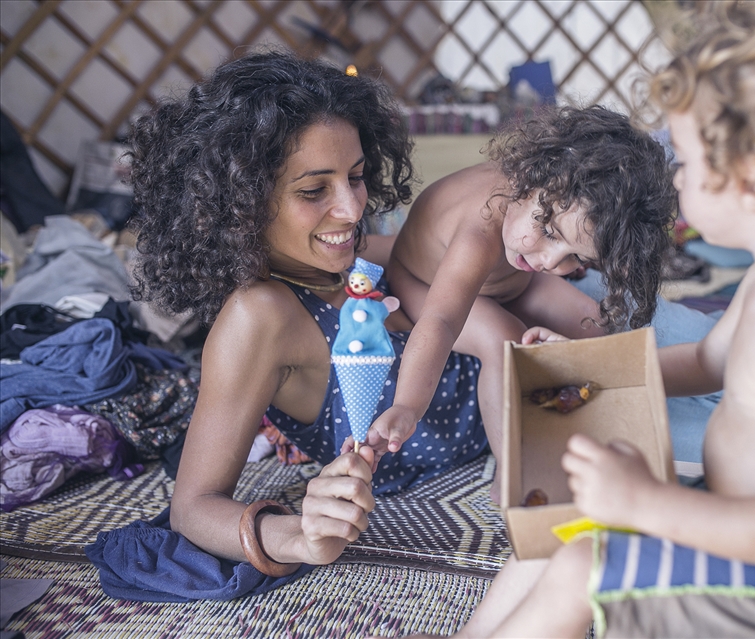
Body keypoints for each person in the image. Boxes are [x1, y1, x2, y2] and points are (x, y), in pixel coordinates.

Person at [387, 1, 755, 637]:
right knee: (563, 537)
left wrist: (648, 502)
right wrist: (576, 369)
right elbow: (707, 363)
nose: (680, 179)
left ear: (751, 178)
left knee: (584, 566)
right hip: (742, 528)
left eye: (689, 160)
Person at [127, 50, 489, 572]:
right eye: (314, 190)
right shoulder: (261, 316)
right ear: (241, 202)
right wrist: (297, 538)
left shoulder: (361, 262)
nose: (352, 207)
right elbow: (193, 508)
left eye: (357, 176)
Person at [370, 106, 676, 498]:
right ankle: (512, 471)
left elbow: (545, 263)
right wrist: (407, 407)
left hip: (512, 279)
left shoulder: (532, 243)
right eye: (548, 231)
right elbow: (441, 321)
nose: (551, 261)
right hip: (424, 283)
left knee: (594, 324)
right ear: (531, 179)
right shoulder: (481, 226)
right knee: (504, 340)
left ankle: (601, 431)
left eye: (577, 258)